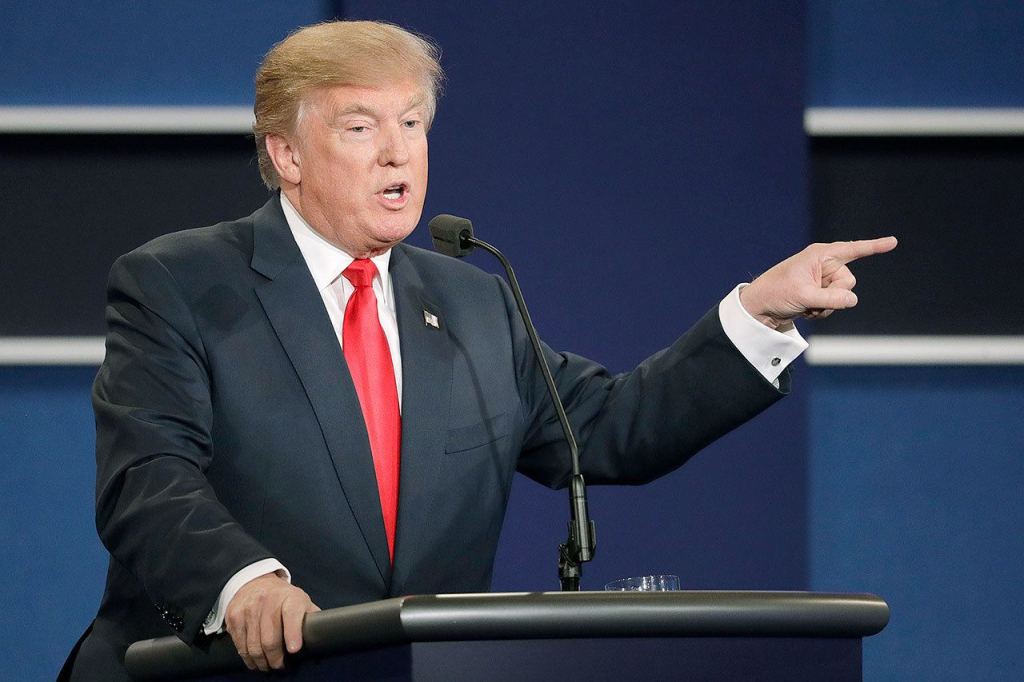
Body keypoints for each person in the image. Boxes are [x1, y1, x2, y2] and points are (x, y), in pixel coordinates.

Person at [61, 20, 896, 680]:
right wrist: (244, 581)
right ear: (286, 154)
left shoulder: (469, 299)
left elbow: (608, 428)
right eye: (361, 126)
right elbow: (147, 475)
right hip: (214, 672)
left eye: (413, 123)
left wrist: (760, 312)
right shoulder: (180, 282)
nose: (398, 152)